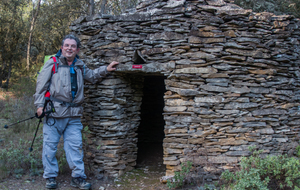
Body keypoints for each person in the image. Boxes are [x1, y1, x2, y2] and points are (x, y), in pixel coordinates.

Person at [34, 34, 118, 189]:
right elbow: (41, 85)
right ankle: (51, 178)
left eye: (73, 46)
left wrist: (106, 69)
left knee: (75, 147)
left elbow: (91, 76)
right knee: (50, 147)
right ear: (62, 47)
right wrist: (39, 106)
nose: (69, 48)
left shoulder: (79, 64)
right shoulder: (53, 63)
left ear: (77, 49)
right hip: (54, 114)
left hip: (74, 116)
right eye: (67, 45)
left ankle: (77, 178)